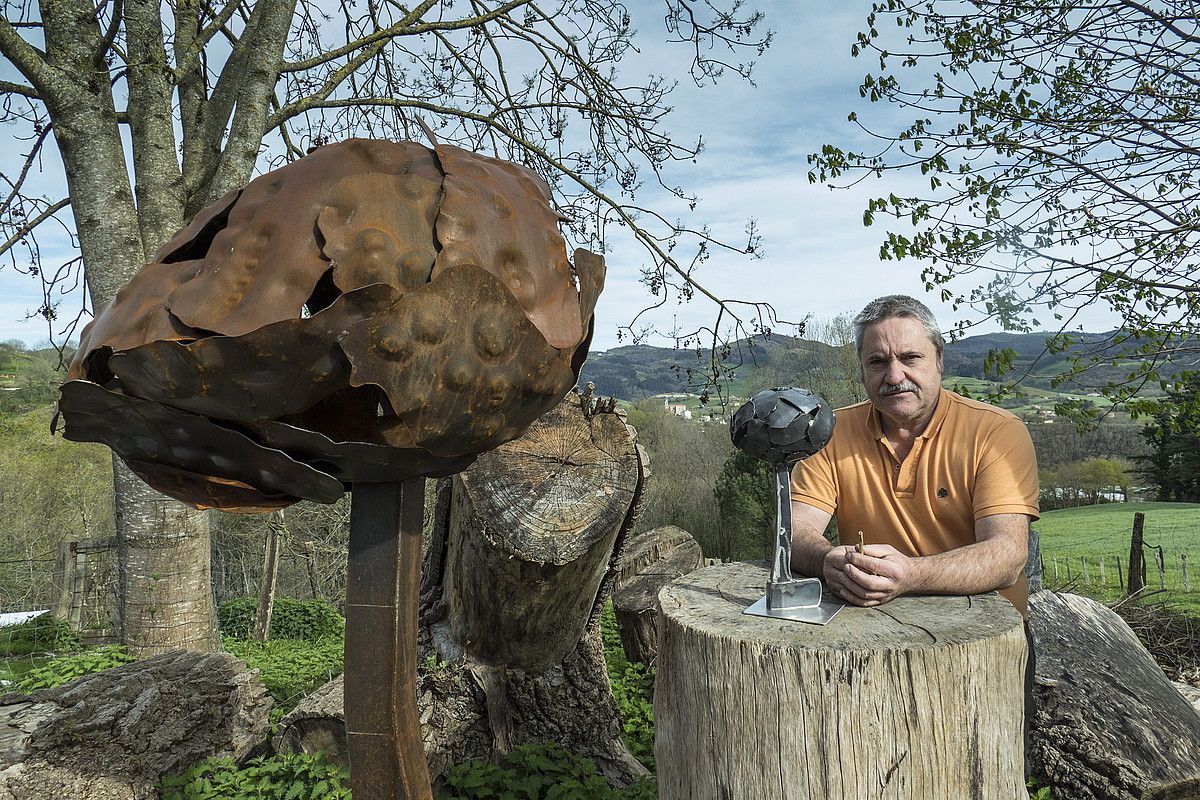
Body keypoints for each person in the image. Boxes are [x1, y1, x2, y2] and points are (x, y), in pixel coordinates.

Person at [789, 295, 1039, 615]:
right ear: (862, 370)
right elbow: (793, 529)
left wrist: (910, 574)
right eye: (877, 362)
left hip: (987, 637)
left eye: (910, 358)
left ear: (939, 360)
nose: (894, 376)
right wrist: (827, 560)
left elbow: (1007, 554)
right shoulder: (831, 432)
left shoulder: (996, 433)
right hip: (873, 631)